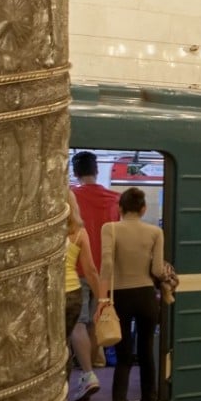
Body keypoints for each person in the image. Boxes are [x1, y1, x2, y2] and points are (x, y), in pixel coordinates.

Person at [97, 187, 165, 401]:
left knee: (123, 355)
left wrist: (103, 300)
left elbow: (106, 265)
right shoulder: (156, 232)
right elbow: (157, 270)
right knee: (146, 353)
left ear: (120, 208)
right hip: (147, 296)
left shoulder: (110, 228)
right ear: (144, 209)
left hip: (120, 297)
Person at [70, 151, 121, 381]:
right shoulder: (114, 198)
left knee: (78, 323)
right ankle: (96, 365)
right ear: (97, 170)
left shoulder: (71, 196)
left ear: (75, 172)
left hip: (78, 269)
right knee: (93, 321)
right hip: (105, 272)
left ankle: (87, 372)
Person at [64, 191, 101, 396]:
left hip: (51, 296)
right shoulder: (79, 232)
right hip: (73, 293)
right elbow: (90, 270)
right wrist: (102, 299)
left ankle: (59, 391)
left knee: (57, 346)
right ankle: (87, 376)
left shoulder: (46, 230)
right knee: (76, 330)